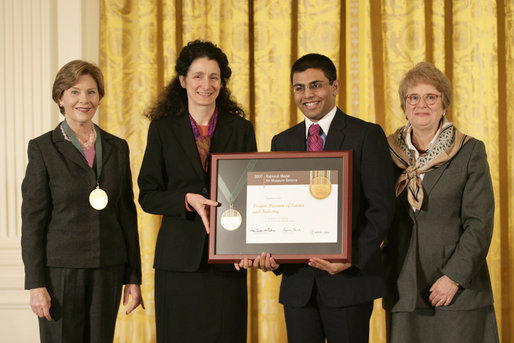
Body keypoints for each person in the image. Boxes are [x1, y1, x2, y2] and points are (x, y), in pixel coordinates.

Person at [244, 53, 395, 343]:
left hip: (349, 282)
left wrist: (350, 258)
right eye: (299, 88)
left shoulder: (366, 135)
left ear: (335, 86)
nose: (307, 95)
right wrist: (272, 255)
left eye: (316, 85)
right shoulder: (282, 141)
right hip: (298, 286)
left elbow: (381, 209)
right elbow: (279, 209)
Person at [138, 40, 257, 343]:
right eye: (198, 76)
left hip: (228, 260)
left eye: (214, 77)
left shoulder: (241, 129)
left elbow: (252, 195)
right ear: (182, 81)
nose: (206, 84)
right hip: (178, 262)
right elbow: (148, 194)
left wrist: (248, 246)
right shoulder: (162, 130)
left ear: (222, 82)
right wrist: (186, 200)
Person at [21, 60, 143, 342]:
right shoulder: (42, 148)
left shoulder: (117, 147)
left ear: (99, 97)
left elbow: (126, 214)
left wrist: (133, 277)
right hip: (61, 272)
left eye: (91, 92)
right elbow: (33, 220)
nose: (84, 100)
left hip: (108, 269)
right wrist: (36, 284)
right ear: (60, 97)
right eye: (75, 92)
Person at [382, 62, 499, 343]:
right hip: (403, 288)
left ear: (444, 103)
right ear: (404, 104)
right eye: (413, 97)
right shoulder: (385, 151)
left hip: (457, 290)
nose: (422, 104)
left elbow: (479, 224)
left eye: (431, 97)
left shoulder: (470, 150)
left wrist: (454, 277)